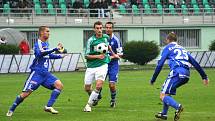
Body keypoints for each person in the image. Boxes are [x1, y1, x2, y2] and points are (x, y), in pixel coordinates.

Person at [6, 26, 66, 117]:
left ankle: (48, 107)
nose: (49, 33)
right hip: (37, 73)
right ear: (41, 33)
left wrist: (60, 56)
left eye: (49, 31)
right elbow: (40, 53)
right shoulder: (38, 43)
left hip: (45, 74)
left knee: (59, 85)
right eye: (47, 31)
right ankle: (11, 109)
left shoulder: (46, 44)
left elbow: (47, 56)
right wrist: (55, 49)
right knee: (25, 94)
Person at [150, 32, 209, 121]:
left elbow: (160, 64)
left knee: (162, 96)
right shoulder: (183, 49)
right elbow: (195, 63)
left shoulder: (168, 48)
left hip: (176, 72)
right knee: (165, 91)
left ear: (168, 40)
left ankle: (178, 107)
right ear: (176, 40)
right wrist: (204, 77)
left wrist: (153, 78)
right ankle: (164, 114)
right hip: (186, 74)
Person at [83, 21, 119, 112]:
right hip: (91, 66)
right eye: (97, 28)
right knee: (87, 88)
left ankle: (88, 105)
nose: (99, 30)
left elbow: (108, 46)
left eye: (100, 28)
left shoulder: (105, 37)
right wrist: (97, 56)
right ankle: (96, 97)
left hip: (102, 65)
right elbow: (86, 56)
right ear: (94, 29)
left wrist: (113, 54)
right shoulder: (91, 40)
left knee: (99, 85)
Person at [105, 21, 123, 107]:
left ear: (113, 29)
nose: (108, 29)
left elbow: (120, 54)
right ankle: (97, 97)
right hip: (103, 64)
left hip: (113, 65)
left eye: (110, 28)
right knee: (99, 83)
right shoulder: (101, 39)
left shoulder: (116, 40)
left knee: (111, 85)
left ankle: (113, 100)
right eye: (107, 27)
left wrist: (111, 57)